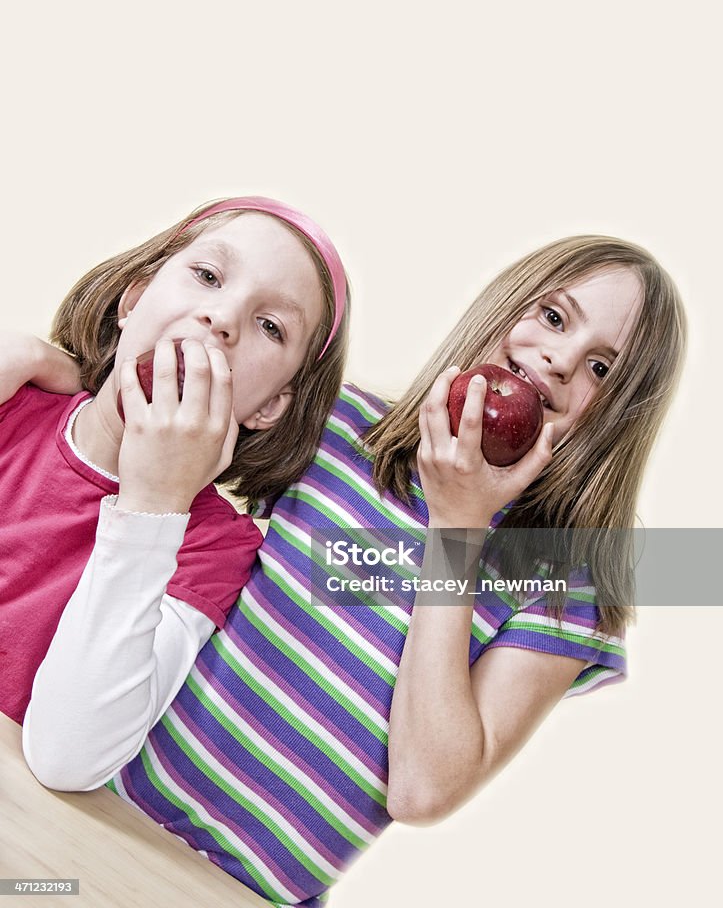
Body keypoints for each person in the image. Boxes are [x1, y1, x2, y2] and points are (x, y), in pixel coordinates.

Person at [19, 235, 686, 908]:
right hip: (99, 807)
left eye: (602, 368)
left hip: (240, 892)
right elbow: (159, 419)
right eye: (552, 317)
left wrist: (456, 531)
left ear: (616, 415)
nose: (561, 360)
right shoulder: (341, 429)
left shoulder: (566, 583)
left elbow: (422, 789)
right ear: (505, 305)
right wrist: (60, 363)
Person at [0, 196, 349, 795]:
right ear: (133, 301)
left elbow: (68, 757)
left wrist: (154, 502)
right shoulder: (12, 401)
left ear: (268, 406)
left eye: (271, 327)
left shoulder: (212, 548)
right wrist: (23, 355)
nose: (223, 319)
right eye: (208, 276)